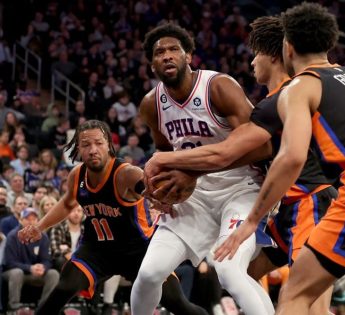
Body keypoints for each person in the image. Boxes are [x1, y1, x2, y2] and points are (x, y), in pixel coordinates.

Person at [144, 16, 337, 314]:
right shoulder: (290, 94)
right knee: (240, 274)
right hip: (286, 207)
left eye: (255, 55)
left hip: (310, 200)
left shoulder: (284, 98)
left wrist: (165, 160)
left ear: (276, 55)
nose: (251, 64)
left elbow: (224, 154)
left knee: (305, 302)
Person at [213, 3, 345, 314]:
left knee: (296, 297)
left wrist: (249, 222)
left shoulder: (300, 86)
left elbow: (291, 158)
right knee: (248, 277)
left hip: (319, 199)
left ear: (287, 47)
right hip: (296, 209)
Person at [131, 23, 274, 315]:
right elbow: (166, 154)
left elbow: (261, 147)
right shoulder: (151, 105)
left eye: (174, 49)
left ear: (188, 56)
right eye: (159, 52)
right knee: (149, 273)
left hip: (241, 188)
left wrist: (196, 170)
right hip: (194, 195)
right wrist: (161, 191)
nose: (167, 56)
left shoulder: (219, 86)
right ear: (151, 63)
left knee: (229, 269)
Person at [18, 120, 208, 315]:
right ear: (78, 149)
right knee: (64, 287)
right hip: (97, 250)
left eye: (98, 143)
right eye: (86, 145)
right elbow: (67, 203)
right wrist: (39, 227)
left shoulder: (125, 173)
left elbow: (147, 188)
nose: (93, 150)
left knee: (177, 303)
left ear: (109, 144)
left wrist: (159, 198)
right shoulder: (77, 175)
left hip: (138, 250)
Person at [2, 208, 59, 312]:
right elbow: (9, 262)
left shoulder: (43, 236)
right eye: (27, 219)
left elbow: (47, 260)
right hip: (15, 274)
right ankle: (13, 306)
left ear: (37, 220)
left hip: (35, 274)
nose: (31, 222)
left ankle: (44, 307)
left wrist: (43, 267)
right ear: (20, 220)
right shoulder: (12, 236)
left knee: (53, 274)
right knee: (16, 273)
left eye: (34, 219)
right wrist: (30, 268)